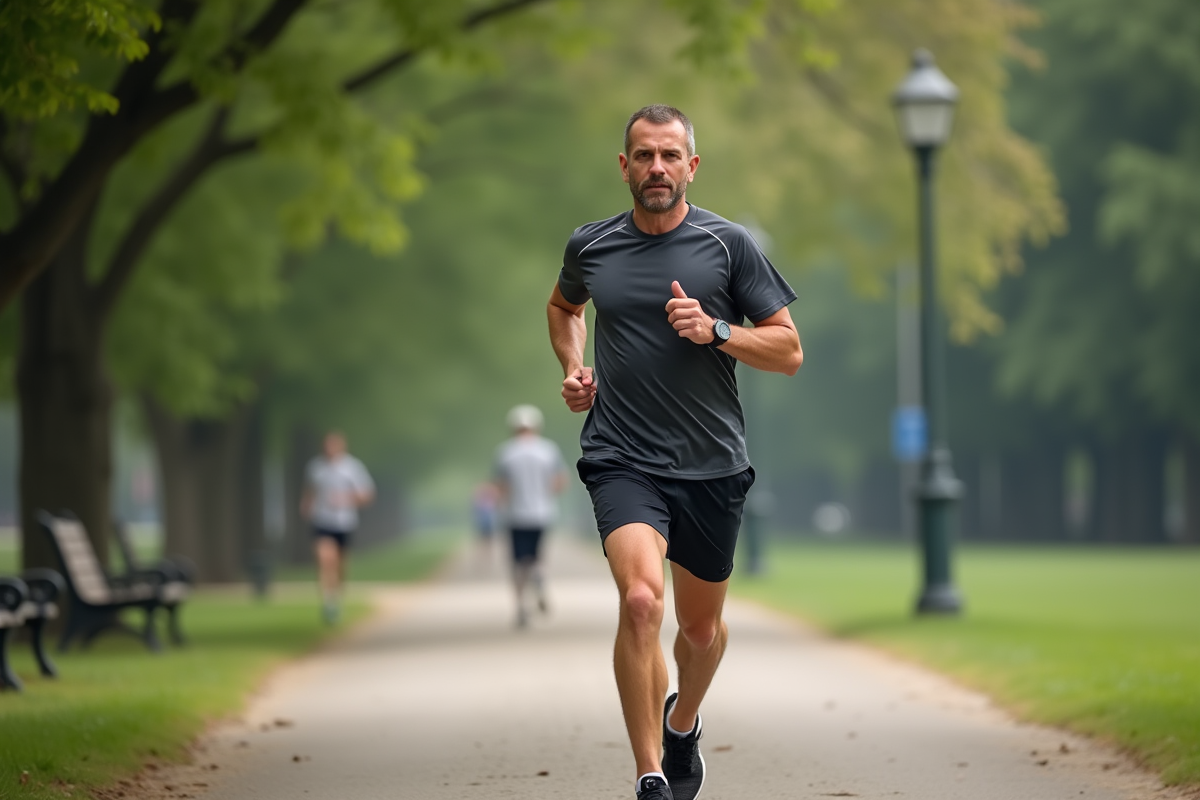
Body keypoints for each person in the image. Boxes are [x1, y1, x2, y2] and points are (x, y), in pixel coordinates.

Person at [547, 104, 803, 800]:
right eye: (643, 155)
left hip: (712, 464)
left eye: (669, 155)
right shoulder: (591, 245)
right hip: (621, 456)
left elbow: (788, 350)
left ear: (691, 166)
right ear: (623, 166)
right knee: (639, 602)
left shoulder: (728, 246)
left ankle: (683, 720)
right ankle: (651, 772)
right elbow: (564, 308)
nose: (655, 167)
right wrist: (574, 367)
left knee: (699, 628)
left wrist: (717, 329)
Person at [492, 404, 567, 628]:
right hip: (542, 513)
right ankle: (538, 578)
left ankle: (521, 607)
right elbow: (560, 480)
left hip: (515, 515)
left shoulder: (505, 452)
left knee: (517, 562)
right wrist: (546, 494)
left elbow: (501, 486)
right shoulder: (548, 450)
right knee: (537, 556)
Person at [300, 431, 375, 624]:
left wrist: (345, 499)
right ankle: (329, 602)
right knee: (325, 559)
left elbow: (367, 494)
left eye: (333, 446)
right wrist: (306, 504)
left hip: (344, 522)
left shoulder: (352, 468)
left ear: (342, 447)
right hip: (321, 521)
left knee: (340, 565)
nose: (329, 449)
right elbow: (310, 490)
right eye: (327, 445)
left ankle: (337, 597)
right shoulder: (315, 467)